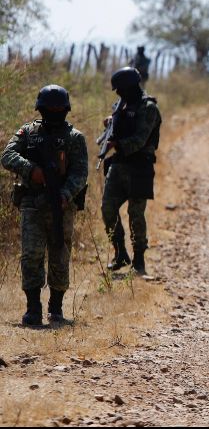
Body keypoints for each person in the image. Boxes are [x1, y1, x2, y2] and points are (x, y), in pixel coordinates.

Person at [1, 85, 88, 326]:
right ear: (40, 109)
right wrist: (32, 171)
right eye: (49, 109)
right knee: (31, 254)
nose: (54, 112)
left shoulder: (74, 138)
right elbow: (7, 155)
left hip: (61, 204)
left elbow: (80, 173)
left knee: (60, 253)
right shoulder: (27, 132)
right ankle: (33, 308)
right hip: (32, 203)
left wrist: (64, 194)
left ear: (66, 110)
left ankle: (56, 308)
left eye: (59, 109)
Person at [101, 67, 162, 276]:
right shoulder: (121, 105)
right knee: (108, 209)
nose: (117, 93)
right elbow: (121, 124)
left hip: (140, 167)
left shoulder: (149, 108)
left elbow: (139, 140)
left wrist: (116, 143)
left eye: (120, 90)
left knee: (136, 214)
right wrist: (111, 123)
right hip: (119, 166)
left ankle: (138, 261)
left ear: (130, 87)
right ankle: (120, 254)